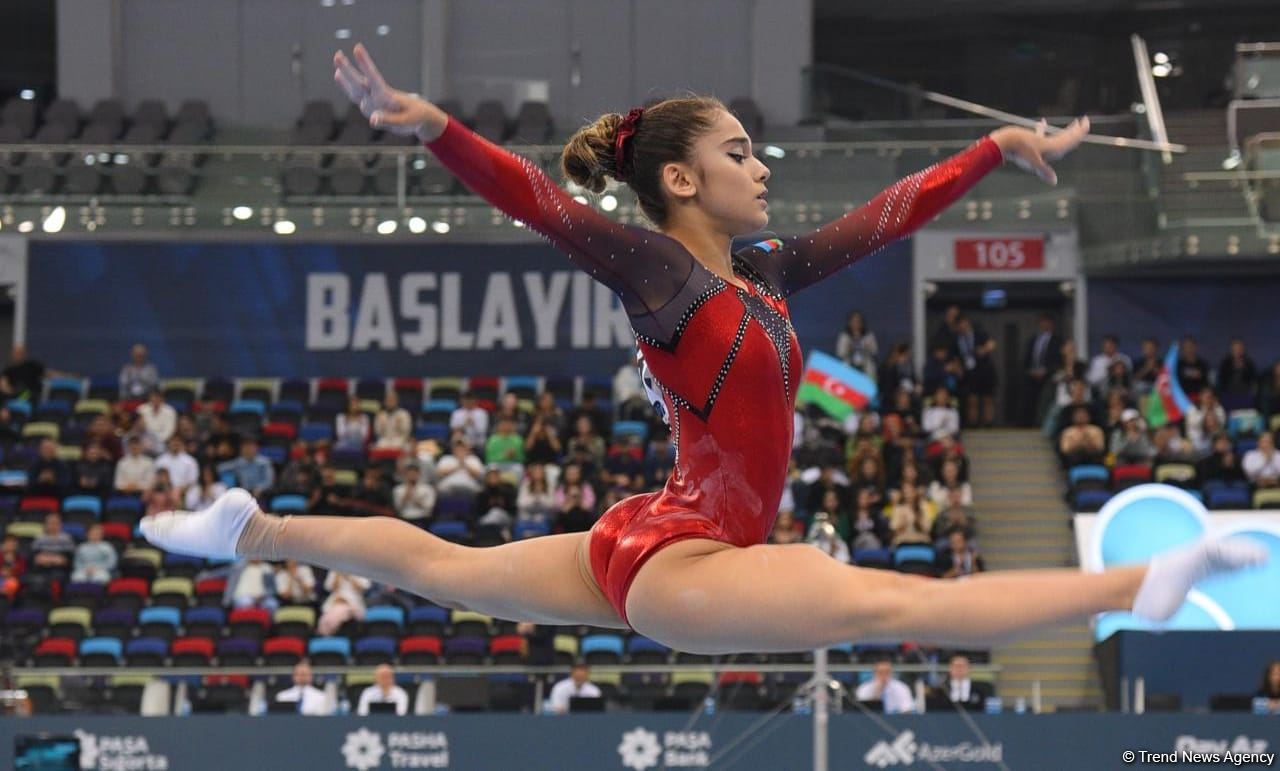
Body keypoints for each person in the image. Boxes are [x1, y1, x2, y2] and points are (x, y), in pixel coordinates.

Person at [141, 44, 1265, 662]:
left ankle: (250, 527)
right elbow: (540, 202)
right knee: (873, 604)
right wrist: (436, 127)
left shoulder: (762, 270)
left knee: (439, 568)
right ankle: (1139, 582)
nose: (760, 165)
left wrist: (987, 150)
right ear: (680, 179)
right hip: (682, 558)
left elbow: (881, 217)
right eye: (738, 150)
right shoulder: (659, 272)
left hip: (656, 529)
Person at [1022, 314, 1063, 427]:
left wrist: (1046, 371)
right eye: (1042, 322)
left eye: (1047, 322)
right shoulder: (1033, 339)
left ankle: (1043, 423)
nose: (1044, 325)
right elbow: (1028, 357)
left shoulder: (1057, 340)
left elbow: (1058, 360)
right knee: (1030, 400)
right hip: (1032, 375)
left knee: (1045, 400)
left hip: (1049, 376)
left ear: (1051, 324)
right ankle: (1029, 423)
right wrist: (1030, 370)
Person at [928, 654, 993, 712]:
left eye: (962, 666)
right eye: (956, 666)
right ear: (950, 669)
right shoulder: (941, 689)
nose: (959, 669)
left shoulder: (982, 688)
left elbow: (989, 708)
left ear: (969, 668)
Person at [835, 310, 878, 379]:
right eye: (854, 321)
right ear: (849, 322)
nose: (856, 323)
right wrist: (849, 349)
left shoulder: (869, 335)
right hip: (849, 367)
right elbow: (840, 353)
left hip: (865, 368)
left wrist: (867, 348)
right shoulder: (844, 336)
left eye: (858, 321)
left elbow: (874, 351)